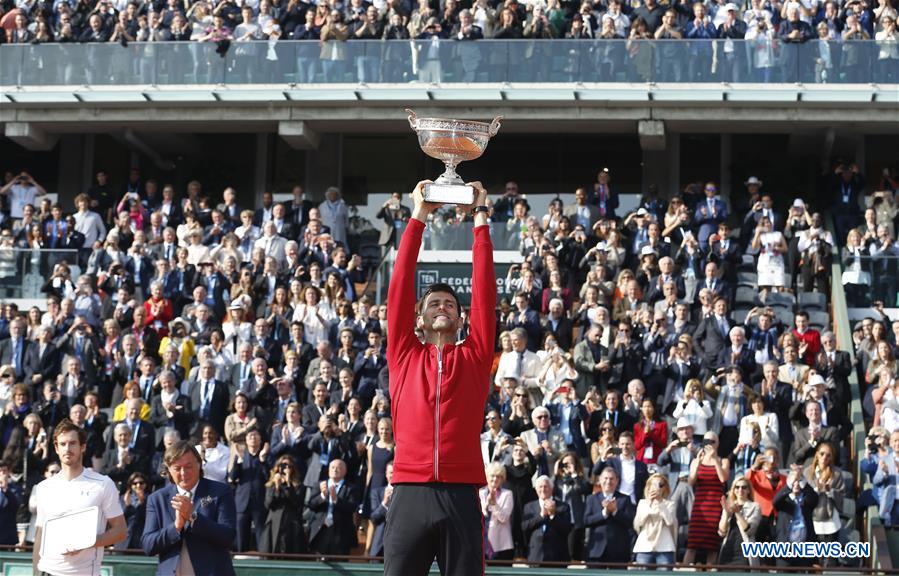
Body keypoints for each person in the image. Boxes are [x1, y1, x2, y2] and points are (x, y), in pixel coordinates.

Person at [383, 181, 495, 576]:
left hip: (461, 493)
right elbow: (398, 287)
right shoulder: (403, 353)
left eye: (450, 303)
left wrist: (480, 218)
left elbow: (484, 293)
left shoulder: (476, 356)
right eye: (433, 303)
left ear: (461, 318)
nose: (443, 306)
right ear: (420, 318)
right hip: (409, 491)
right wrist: (419, 216)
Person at [32, 419, 127, 576]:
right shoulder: (43, 488)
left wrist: (88, 542)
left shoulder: (103, 484)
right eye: (62, 444)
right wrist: (35, 572)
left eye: (72, 443)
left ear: (83, 446)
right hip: (47, 571)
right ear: (56, 448)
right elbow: (40, 534)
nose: (67, 449)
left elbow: (121, 531)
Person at [141, 440, 237, 576]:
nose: (183, 472)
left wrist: (193, 517)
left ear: (199, 464)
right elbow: (148, 545)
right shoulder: (157, 499)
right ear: (168, 469)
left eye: (189, 466)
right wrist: (175, 527)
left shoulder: (220, 492)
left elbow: (228, 536)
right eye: (177, 468)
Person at [583, 466, 636, 564]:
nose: (608, 481)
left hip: (618, 551)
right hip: (596, 551)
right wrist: (604, 513)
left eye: (611, 479)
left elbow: (630, 522)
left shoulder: (625, 499)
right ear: (600, 480)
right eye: (605, 478)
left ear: (617, 481)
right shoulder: (591, 499)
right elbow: (586, 520)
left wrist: (615, 511)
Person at [260, 455, 307, 554]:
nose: (286, 469)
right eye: (283, 466)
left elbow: (296, 503)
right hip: (274, 525)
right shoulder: (270, 485)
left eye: (289, 466)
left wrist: (288, 483)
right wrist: (277, 487)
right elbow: (268, 504)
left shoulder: (299, 486)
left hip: (291, 525)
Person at [632, 473, 677, 569]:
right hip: (645, 546)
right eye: (653, 484)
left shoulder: (669, 504)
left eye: (660, 485)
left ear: (664, 488)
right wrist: (650, 503)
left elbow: (670, 522)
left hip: (664, 547)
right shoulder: (643, 503)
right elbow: (638, 523)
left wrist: (660, 503)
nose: (657, 488)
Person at [717, 476, 761, 565]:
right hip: (727, 551)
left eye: (744, 487)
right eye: (737, 487)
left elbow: (750, 530)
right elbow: (721, 532)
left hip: (744, 553)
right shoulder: (729, 505)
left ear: (749, 490)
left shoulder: (755, 506)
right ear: (733, 489)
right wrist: (726, 513)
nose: (740, 489)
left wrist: (737, 513)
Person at [480, 462, 515, 560]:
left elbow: (503, 518)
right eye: (492, 476)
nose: (495, 479)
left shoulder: (507, 494)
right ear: (487, 476)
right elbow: (478, 515)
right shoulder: (480, 493)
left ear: (503, 478)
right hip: (481, 542)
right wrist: (487, 503)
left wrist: (494, 504)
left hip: (501, 545)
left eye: (499, 476)